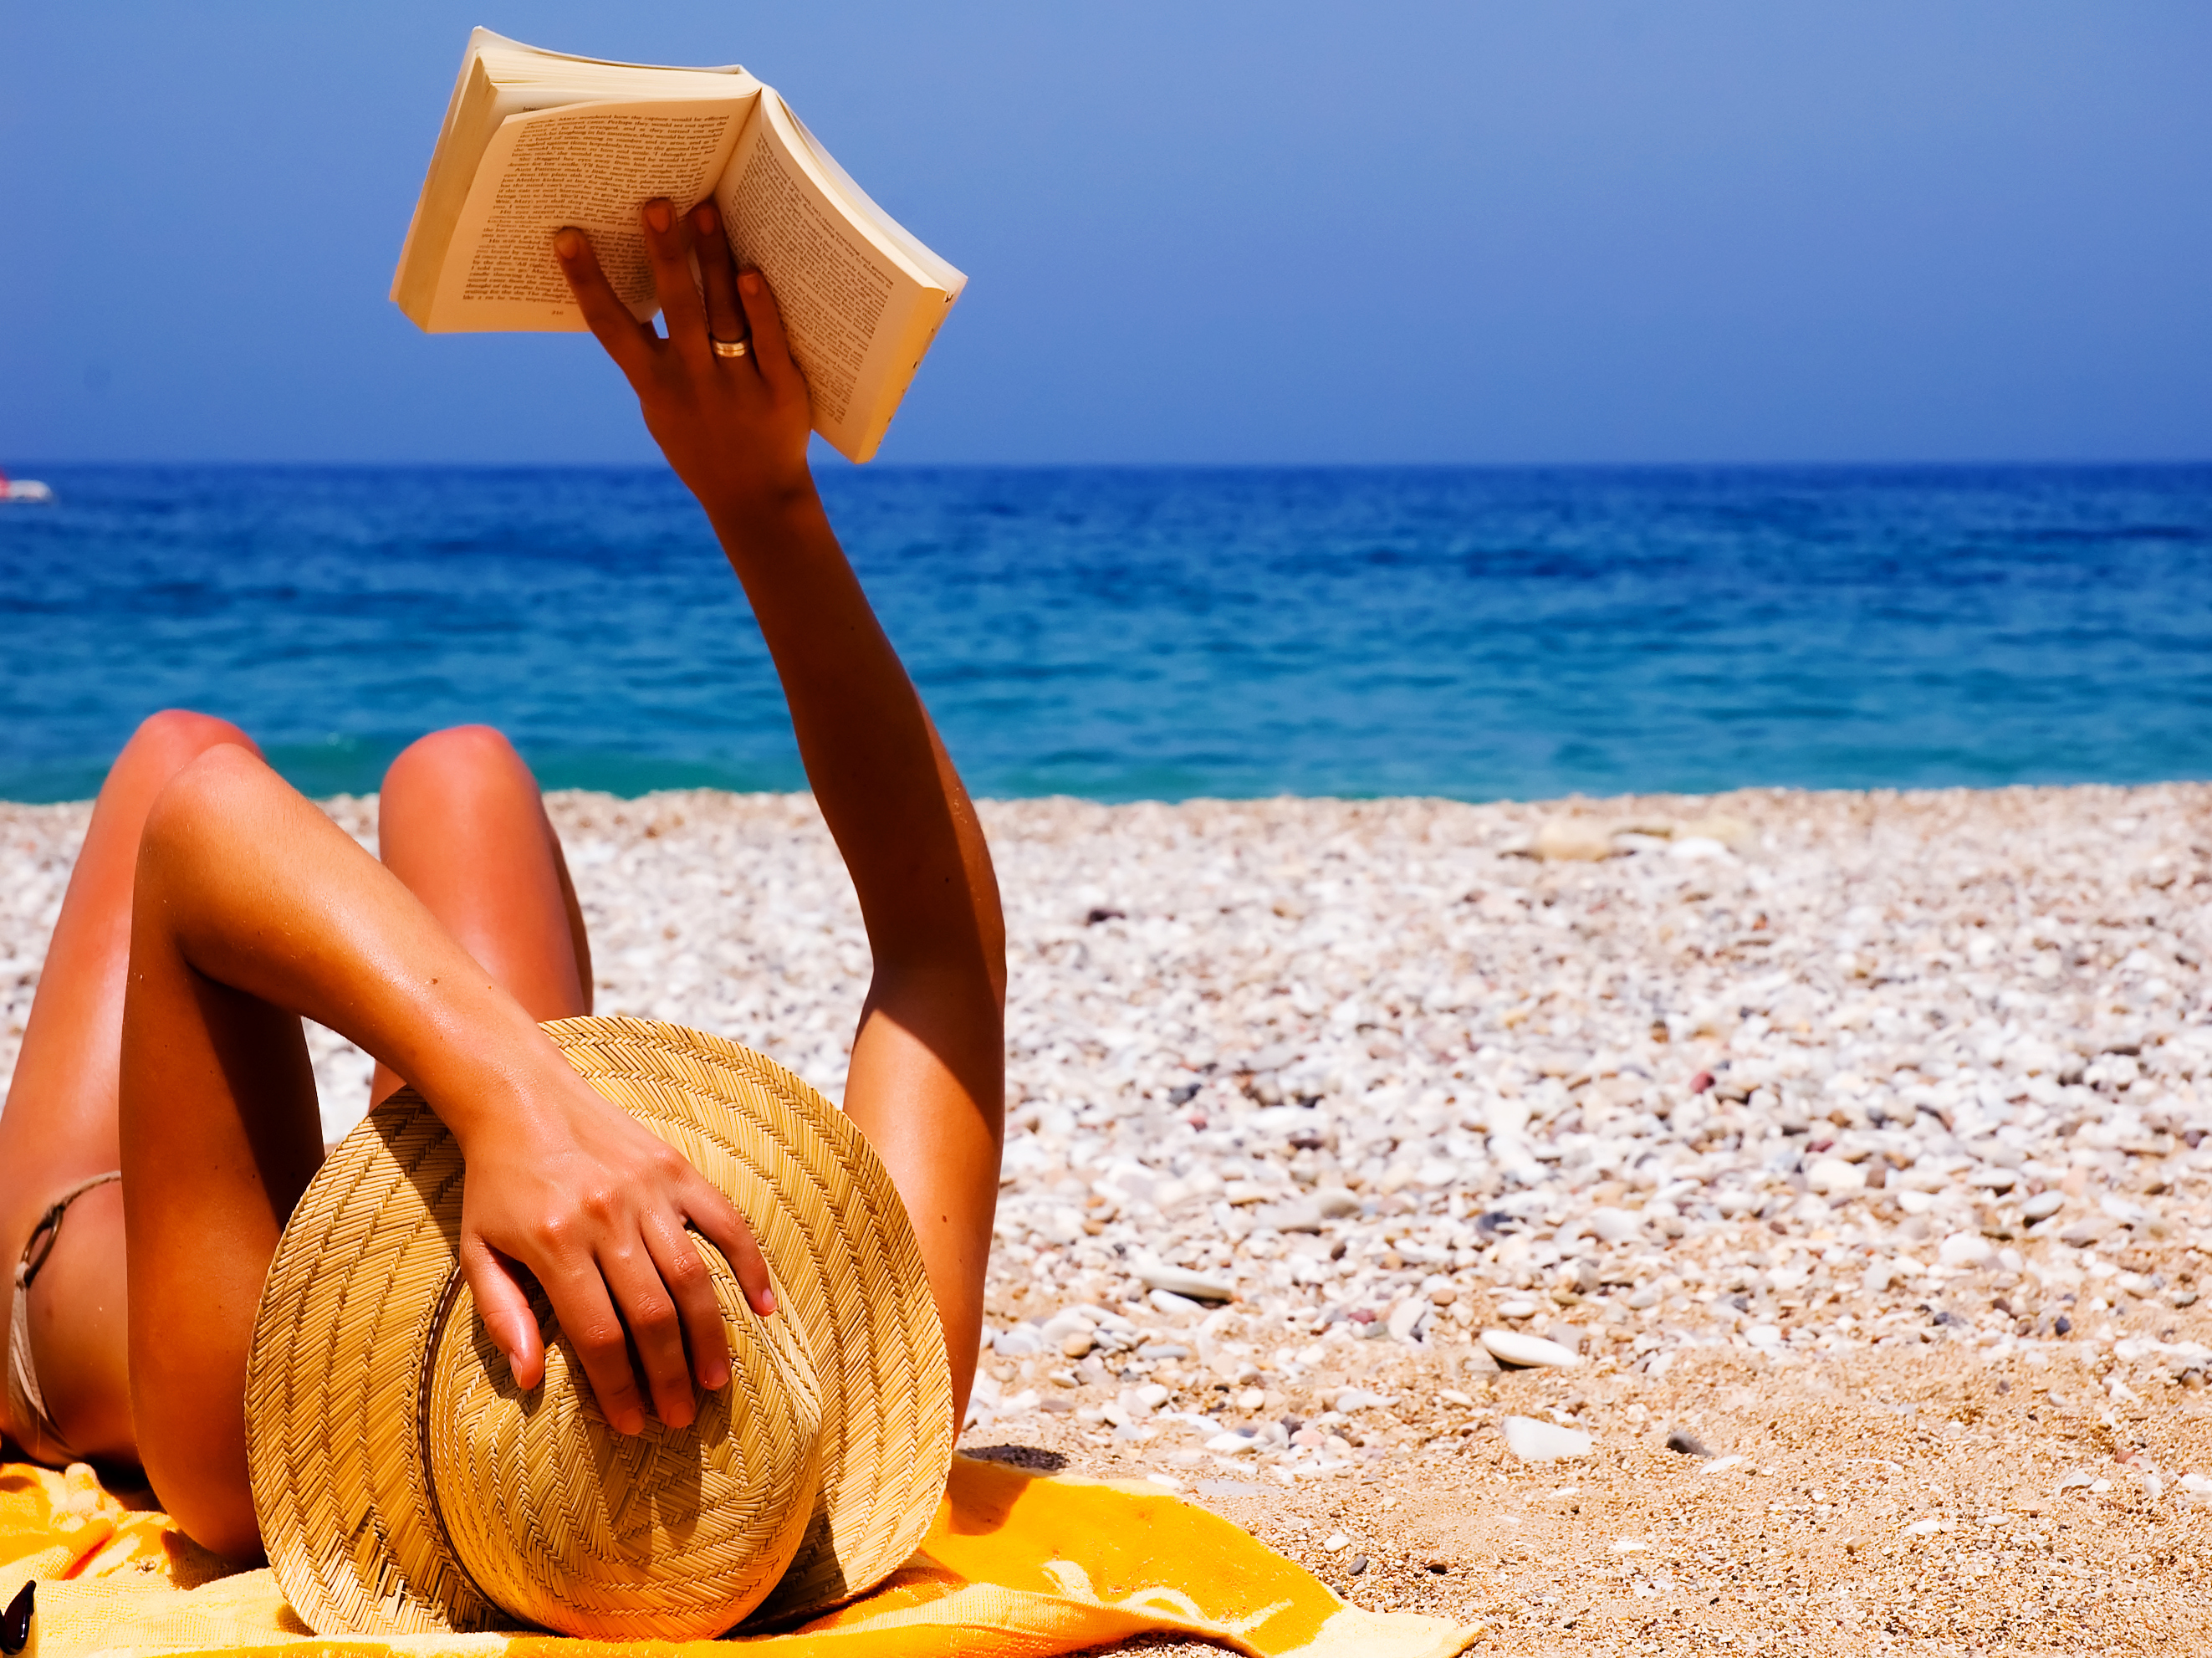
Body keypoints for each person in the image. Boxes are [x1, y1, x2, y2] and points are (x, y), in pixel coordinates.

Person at [0, 197, 1006, 1563]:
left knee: (179, 745)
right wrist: (762, 496)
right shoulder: (839, 1431)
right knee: (461, 769)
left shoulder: (254, 1472)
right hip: (480, 1255)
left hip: (100, 1285)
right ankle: (496, 1087)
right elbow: (936, 940)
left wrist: (515, 1099)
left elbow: (199, 828)